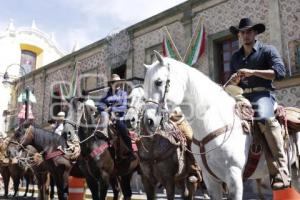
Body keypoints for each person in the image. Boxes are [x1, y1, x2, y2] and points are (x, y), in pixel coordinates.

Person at [228, 18, 290, 190]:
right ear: (239, 35)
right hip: (241, 97)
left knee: (267, 120)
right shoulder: (235, 57)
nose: (245, 35)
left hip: (263, 94)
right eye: (242, 32)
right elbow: (234, 85)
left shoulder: (268, 50)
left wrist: (253, 71)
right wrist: (233, 80)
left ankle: (281, 169)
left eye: (249, 31)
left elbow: (280, 72)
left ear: (255, 33)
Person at [97, 74, 135, 161]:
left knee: (122, 128)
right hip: (107, 116)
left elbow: (124, 107)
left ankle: (130, 151)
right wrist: (104, 109)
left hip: (119, 117)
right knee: (99, 121)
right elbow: (99, 105)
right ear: (111, 84)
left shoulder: (123, 93)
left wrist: (112, 108)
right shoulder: (106, 94)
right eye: (114, 82)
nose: (116, 84)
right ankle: (102, 136)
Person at [170, 107, 202, 183]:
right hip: (162, 123)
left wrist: (172, 116)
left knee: (191, 139)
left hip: (180, 122)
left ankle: (193, 170)